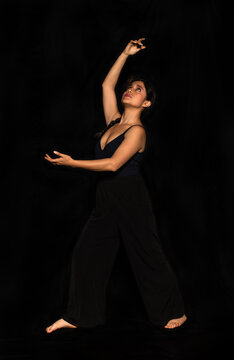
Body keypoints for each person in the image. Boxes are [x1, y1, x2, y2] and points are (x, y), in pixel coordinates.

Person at [44, 38, 187, 333]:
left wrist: (72, 163)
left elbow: (112, 165)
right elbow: (107, 87)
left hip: (130, 196)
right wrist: (125, 54)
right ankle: (79, 316)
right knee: (86, 255)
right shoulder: (113, 122)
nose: (130, 90)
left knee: (147, 254)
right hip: (105, 196)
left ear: (146, 103)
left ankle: (176, 312)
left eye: (138, 90)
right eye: (130, 87)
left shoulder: (137, 131)